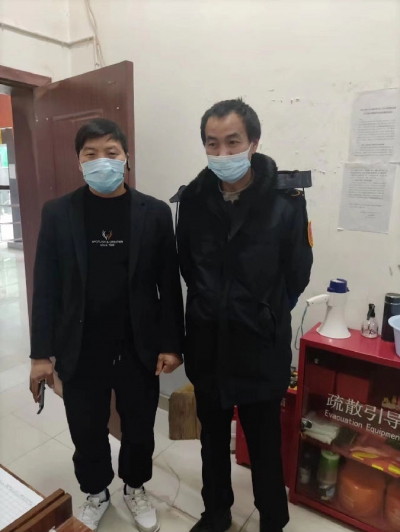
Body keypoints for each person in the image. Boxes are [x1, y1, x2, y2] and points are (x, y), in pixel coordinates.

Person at [29, 118, 184, 532]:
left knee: (139, 427)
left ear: (126, 157)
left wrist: (172, 344)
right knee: (86, 428)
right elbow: (45, 287)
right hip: (81, 345)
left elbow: (169, 285)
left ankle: (135, 486)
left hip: (138, 345)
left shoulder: (154, 212)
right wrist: (40, 354)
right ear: (79, 162)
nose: (102, 161)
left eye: (111, 152)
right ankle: (96, 491)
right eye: (91, 154)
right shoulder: (58, 213)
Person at [176, 99, 313, 532]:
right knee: (212, 440)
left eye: (232, 142)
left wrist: (263, 312)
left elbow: (298, 272)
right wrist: (212, 307)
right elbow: (187, 265)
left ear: (253, 143)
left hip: (260, 345)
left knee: (264, 443)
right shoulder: (192, 199)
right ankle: (216, 513)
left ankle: (273, 519)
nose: (222, 153)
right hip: (207, 343)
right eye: (212, 144)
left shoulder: (285, 200)